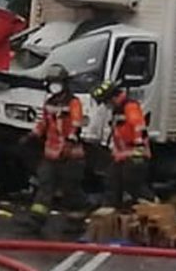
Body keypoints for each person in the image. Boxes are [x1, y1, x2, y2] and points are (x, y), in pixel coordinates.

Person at [27, 64, 87, 226]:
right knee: (45, 183)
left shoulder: (74, 103)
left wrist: (70, 142)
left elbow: (76, 124)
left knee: (71, 188)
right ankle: (36, 219)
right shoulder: (49, 103)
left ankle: (77, 220)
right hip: (51, 154)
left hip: (70, 156)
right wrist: (33, 134)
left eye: (57, 82)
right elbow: (44, 123)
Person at [91, 80, 156, 208]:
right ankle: (109, 214)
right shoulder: (118, 110)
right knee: (112, 182)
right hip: (122, 155)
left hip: (136, 154)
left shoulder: (130, 107)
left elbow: (138, 126)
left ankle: (154, 206)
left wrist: (138, 146)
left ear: (113, 97)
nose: (106, 105)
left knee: (132, 184)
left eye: (106, 101)